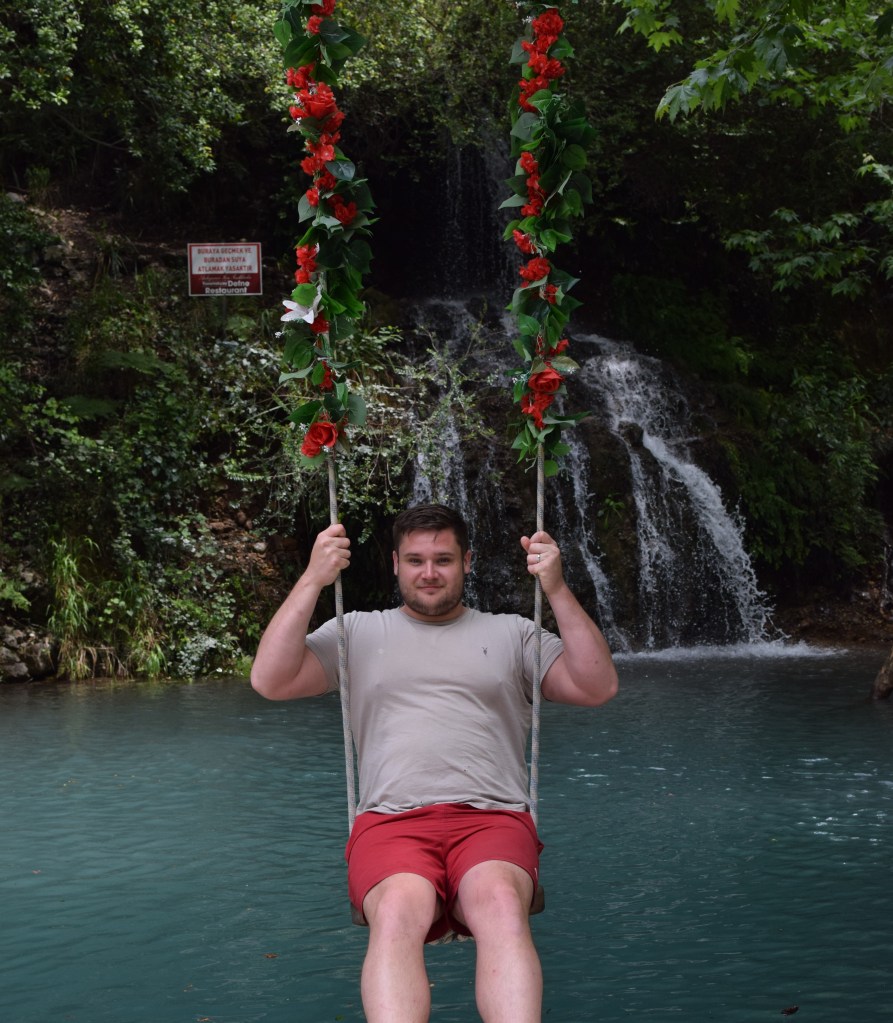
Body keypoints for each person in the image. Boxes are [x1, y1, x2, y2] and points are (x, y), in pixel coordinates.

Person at [251, 503, 618, 1023]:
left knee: (499, 903)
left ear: (468, 562)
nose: (429, 573)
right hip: (390, 820)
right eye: (416, 560)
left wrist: (555, 587)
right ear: (396, 563)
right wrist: (314, 577)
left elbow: (597, 685)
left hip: (492, 816)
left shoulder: (514, 633)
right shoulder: (355, 632)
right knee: (399, 910)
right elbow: (271, 680)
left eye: (443, 560)